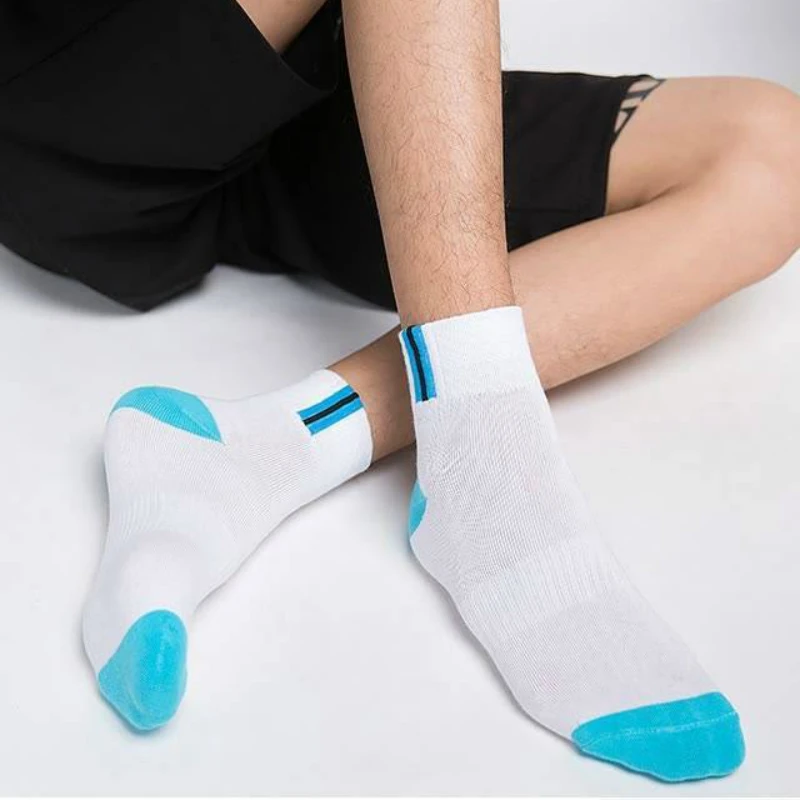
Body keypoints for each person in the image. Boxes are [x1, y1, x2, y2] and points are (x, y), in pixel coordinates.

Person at [1, 0, 798, 783]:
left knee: (770, 158)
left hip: (280, 101)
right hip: (72, 98)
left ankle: (270, 449)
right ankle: (495, 479)